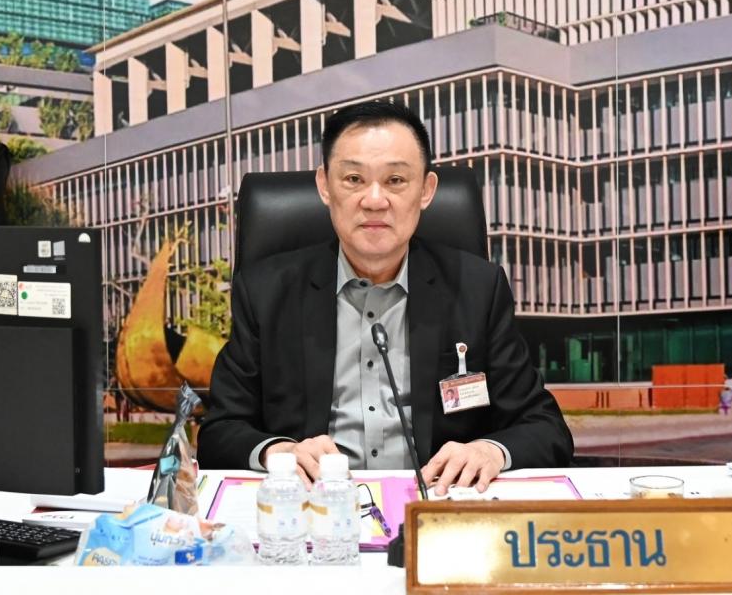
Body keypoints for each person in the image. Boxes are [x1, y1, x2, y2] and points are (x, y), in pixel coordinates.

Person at [198, 101, 573, 495]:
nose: (374, 200)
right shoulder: (266, 292)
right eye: (354, 179)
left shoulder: (478, 289)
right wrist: (279, 452)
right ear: (324, 186)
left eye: (395, 180)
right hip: (316, 507)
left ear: (426, 190)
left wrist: (489, 451)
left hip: (435, 503)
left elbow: (545, 427)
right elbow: (220, 431)